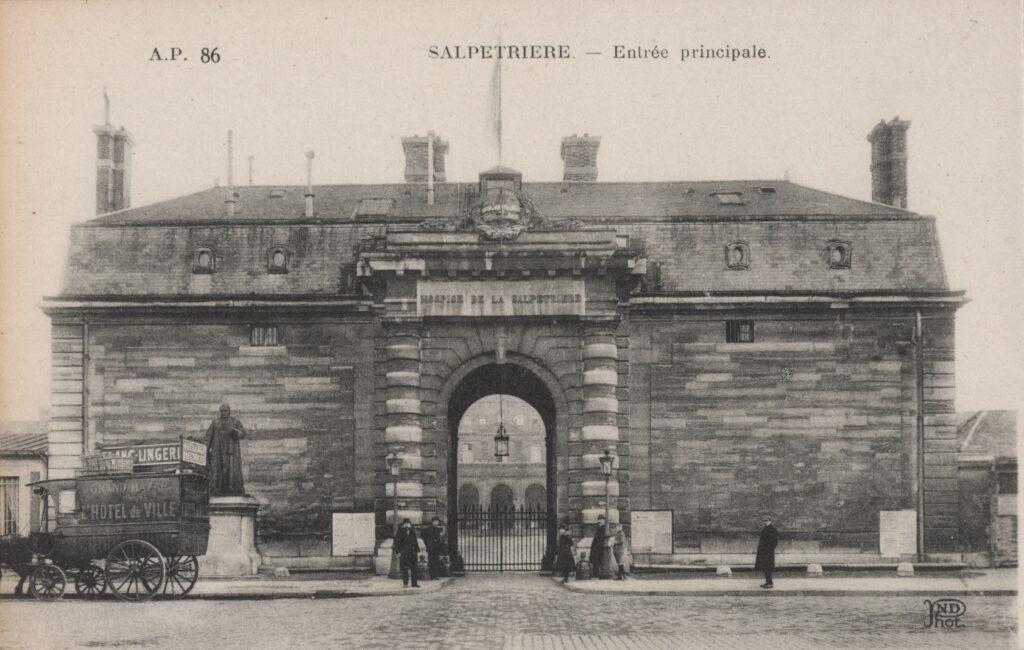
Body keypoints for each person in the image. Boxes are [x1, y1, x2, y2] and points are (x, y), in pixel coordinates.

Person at [204, 404, 248, 496]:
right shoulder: (215, 423)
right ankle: (218, 489)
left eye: (225, 411)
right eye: (221, 411)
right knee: (219, 471)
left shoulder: (235, 422)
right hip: (218, 451)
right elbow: (208, 437)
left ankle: (233, 490)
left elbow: (243, 433)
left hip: (231, 452)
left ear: (229, 411)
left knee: (231, 471)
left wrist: (236, 432)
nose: (223, 413)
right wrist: (205, 449)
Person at [393, 518, 420, 587]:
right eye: (405, 524)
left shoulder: (412, 531)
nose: (407, 525)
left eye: (408, 523)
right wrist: (398, 552)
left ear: (410, 524)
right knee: (404, 569)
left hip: (412, 553)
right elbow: (397, 543)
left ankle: (414, 584)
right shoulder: (400, 532)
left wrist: (417, 551)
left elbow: (415, 542)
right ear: (403, 524)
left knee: (414, 568)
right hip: (404, 553)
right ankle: (405, 583)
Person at [755, 515, 779, 589]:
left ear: (770, 521)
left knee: (768, 568)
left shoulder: (773, 530)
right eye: (764, 521)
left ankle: (770, 583)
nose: (765, 522)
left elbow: (775, 541)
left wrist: (769, 549)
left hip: (768, 553)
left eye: (766, 521)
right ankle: (768, 582)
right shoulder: (765, 529)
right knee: (765, 568)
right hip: (763, 552)